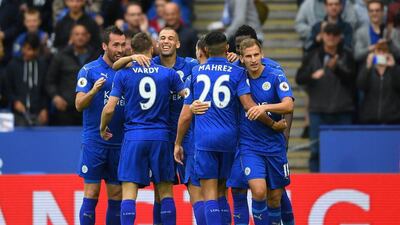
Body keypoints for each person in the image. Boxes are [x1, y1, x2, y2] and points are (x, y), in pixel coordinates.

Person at [174, 31, 278, 225]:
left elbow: (186, 115)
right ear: (227, 49)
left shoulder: (196, 72)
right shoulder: (237, 73)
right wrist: (272, 123)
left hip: (204, 139)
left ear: (205, 50)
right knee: (223, 190)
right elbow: (248, 105)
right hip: (229, 140)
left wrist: (178, 143)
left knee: (210, 193)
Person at [100, 32, 186, 225]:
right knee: (165, 192)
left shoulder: (123, 74)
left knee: (129, 194)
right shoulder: (168, 73)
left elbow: (110, 107)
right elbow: (186, 95)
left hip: (134, 137)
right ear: (152, 49)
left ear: (131, 49)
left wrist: (102, 127)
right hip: (161, 137)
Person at [239, 38, 294, 225]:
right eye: (248, 56)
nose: (253, 60)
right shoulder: (239, 78)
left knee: (274, 198)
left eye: (256, 55)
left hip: (274, 146)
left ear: (262, 54)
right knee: (259, 191)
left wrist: (264, 107)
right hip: (250, 146)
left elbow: (289, 104)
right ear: (242, 58)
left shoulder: (275, 75)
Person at [74, 26, 126, 225]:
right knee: (92, 193)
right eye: (115, 45)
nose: (120, 49)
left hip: (120, 143)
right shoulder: (89, 70)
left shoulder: (128, 70)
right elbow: (79, 104)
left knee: (116, 195)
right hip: (95, 142)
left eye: (123, 44)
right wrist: (94, 91)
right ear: (105, 45)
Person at [296, 23, 356, 172]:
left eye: (334, 34)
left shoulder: (347, 55)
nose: (331, 37)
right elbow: (299, 78)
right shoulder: (312, 55)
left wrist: (337, 69)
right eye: (328, 33)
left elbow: (354, 80)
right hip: (318, 110)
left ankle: (344, 182)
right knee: (316, 151)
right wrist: (311, 76)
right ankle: (316, 184)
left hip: (342, 110)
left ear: (340, 37)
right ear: (322, 36)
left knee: (344, 151)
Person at [46, 24, 99, 125]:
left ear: (88, 37)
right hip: (66, 109)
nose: (80, 37)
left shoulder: (96, 56)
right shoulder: (61, 56)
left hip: (91, 107)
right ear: (71, 37)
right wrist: (56, 97)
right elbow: (50, 81)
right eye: (77, 34)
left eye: (83, 34)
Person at [6, 33, 48, 126]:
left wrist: (44, 108)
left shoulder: (43, 65)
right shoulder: (13, 65)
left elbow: (45, 89)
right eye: (28, 49)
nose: (31, 52)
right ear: (23, 47)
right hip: (18, 114)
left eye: (34, 50)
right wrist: (15, 101)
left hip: (39, 113)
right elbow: (8, 88)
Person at [357, 41, 400, 124]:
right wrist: (368, 67)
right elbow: (360, 85)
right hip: (370, 118)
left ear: (388, 54)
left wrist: (393, 67)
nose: (381, 54)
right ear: (374, 53)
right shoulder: (368, 69)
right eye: (378, 51)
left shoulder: (395, 70)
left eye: (384, 51)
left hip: (392, 118)